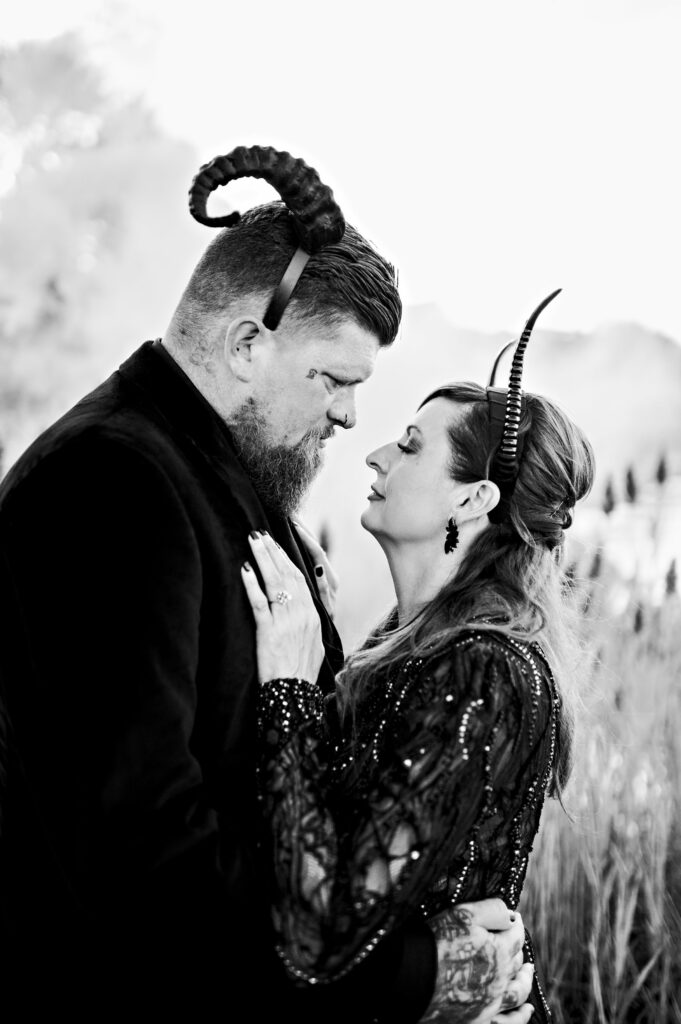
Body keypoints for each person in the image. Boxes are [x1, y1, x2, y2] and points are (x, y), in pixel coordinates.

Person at [0, 145, 533, 1022]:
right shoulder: (108, 486)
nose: (350, 416)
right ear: (248, 343)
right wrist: (413, 979)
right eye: (333, 379)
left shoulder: (225, 473)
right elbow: (148, 861)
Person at [240, 290, 596, 1023]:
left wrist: (284, 693)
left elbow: (321, 934)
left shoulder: (484, 671)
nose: (374, 453)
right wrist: (320, 655)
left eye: (408, 445)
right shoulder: (408, 645)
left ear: (472, 500)